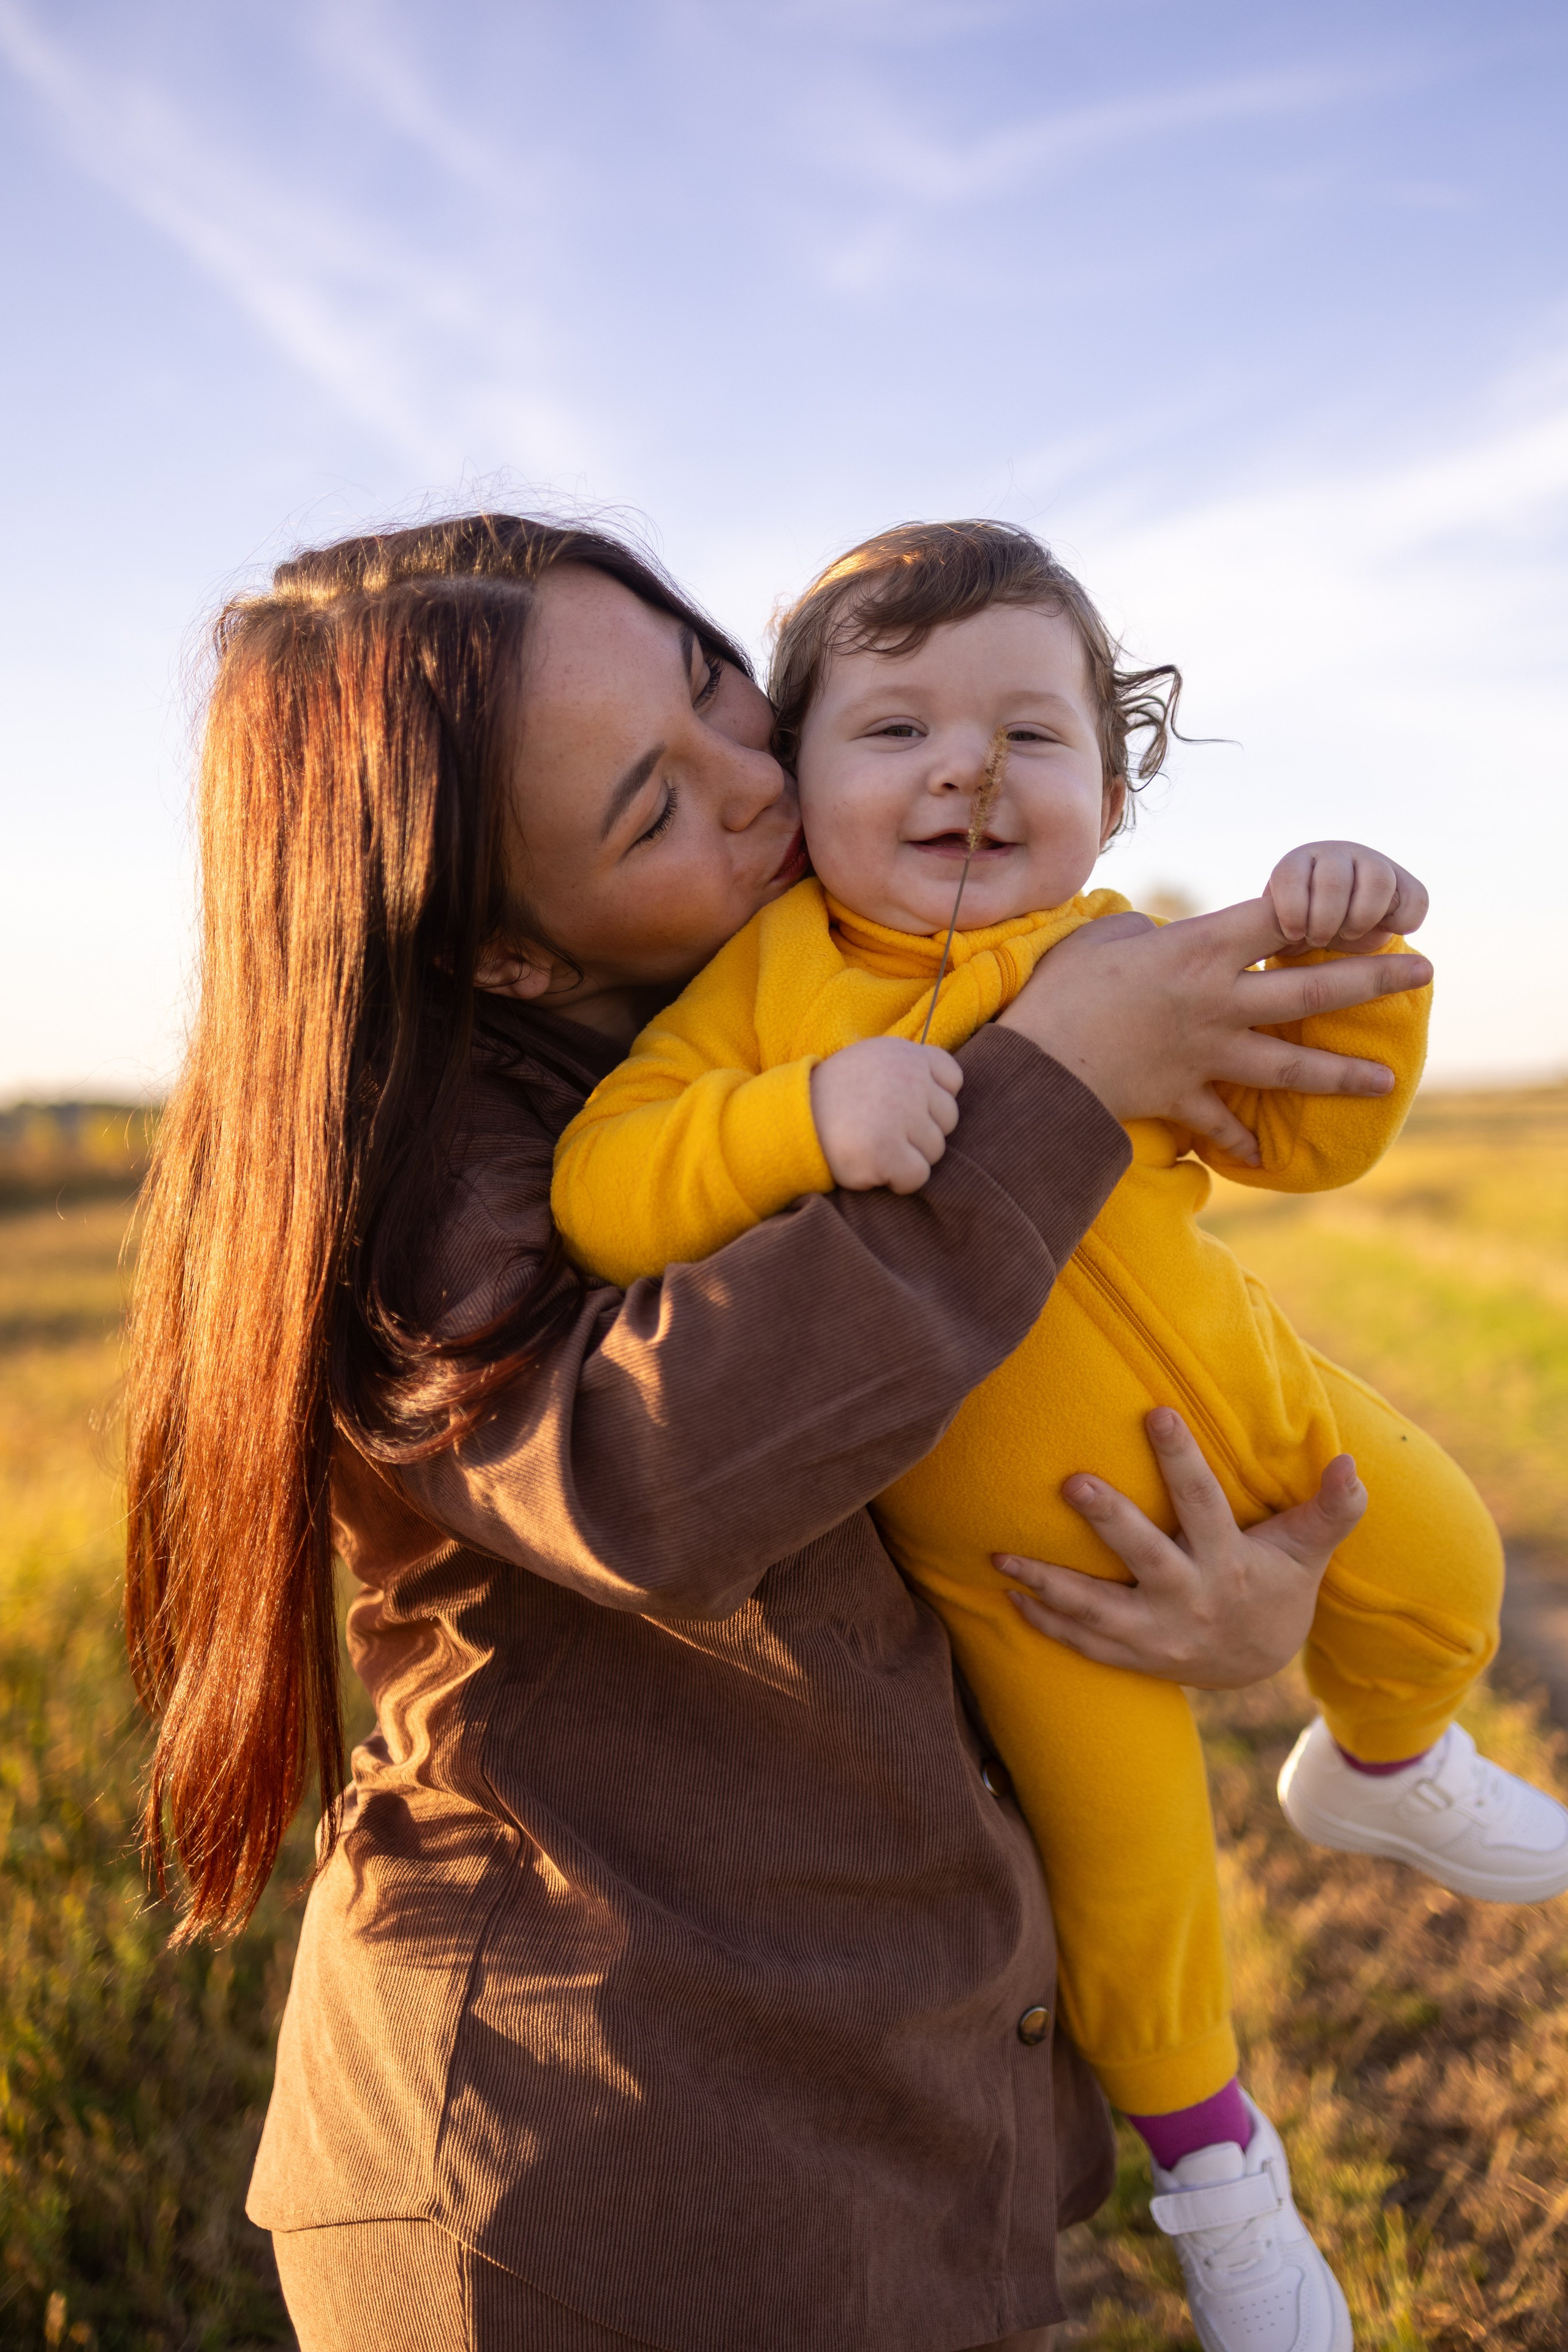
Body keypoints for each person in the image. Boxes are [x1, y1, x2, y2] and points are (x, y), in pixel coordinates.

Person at [124, 513, 1432, 2352]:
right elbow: (661, 1478)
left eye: (714, 685)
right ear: (499, 955)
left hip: (890, 2124)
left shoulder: (791, 1014)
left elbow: (966, 1440)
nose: (760, 778)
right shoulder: (434, 1184)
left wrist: (1236, 1604)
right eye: (652, 810)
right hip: (601, 2187)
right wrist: (1050, 1088)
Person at [551, 518, 1568, 2352]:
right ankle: (1227, 2189)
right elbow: (610, 1190)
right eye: (897, 731)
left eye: (1034, 736)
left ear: (1112, 790)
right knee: (1140, 1889)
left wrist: (1375, 970)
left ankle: (1389, 1760)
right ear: (798, 778)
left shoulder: (1128, 954)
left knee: (1443, 1557)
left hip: (1271, 1415)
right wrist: (805, 1115)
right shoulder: (769, 989)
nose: (967, 766)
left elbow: (1314, 1139)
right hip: (1025, 1562)